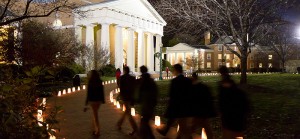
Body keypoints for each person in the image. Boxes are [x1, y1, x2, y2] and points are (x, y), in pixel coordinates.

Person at [157, 64, 193, 139]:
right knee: (182, 125)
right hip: (186, 106)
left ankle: (166, 130)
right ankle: (167, 131)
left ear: (176, 70)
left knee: (183, 127)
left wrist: (170, 105)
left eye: (173, 70)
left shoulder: (174, 81)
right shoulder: (187, 80)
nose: (173, 71)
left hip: (178, 106)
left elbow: (172, 95)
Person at [218, 66, 250, 139]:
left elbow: (223, 101)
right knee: (235, 134)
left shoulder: (224, 86)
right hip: (234, 116)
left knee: (230, 133)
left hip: (230, 115)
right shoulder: (228, 85)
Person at [190, 72, 215, 139]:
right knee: (206, 128)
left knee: (193, 127)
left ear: (193, 78)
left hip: (199, 112)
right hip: (203, 112)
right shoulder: (203, 86)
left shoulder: (194, 88)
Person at [136, 66, 158, 139]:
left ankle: (149, 136)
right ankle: (145, 135)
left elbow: (140, 91)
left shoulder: (143, 80)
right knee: (144, 121)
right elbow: (155, 91)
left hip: (146, 104)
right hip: (150, 103)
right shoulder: (150, 80)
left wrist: (137, 100)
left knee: (144, 121)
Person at [116, 66, 138, 135]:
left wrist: (119, 95)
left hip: (125, 97)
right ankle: (119, 123)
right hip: (131, 97)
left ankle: (135, 129)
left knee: (128, 112)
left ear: (124, 71)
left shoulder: (122, 78)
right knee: (127, 111)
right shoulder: (132, 78)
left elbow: (121, 88)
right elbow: (135, 87)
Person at [84, 70, 105, 136]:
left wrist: (86, 103)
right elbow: (102, 91)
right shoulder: (100, 81)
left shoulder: (90, 82)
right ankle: (94, 129)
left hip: (92, 100)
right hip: (98, 101)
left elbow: (88, 93)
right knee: (94, 114)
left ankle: (98, 130)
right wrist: (103, 100)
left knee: (95, 115)